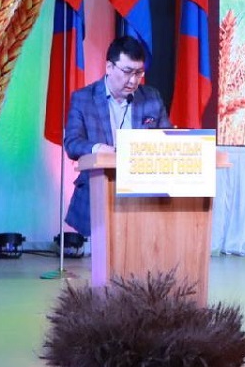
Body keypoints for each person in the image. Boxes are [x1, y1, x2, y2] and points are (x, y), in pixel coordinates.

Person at [63, 36, 172, 237]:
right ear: (109, 67)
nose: (133, 80)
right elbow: (72, 143)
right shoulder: (83, 98)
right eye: (127, 72)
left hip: (143, 197)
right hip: (97, 195)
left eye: (138, 73)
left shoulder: (151, 98)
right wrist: (98, 149)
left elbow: (168, 142)